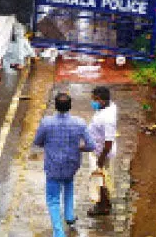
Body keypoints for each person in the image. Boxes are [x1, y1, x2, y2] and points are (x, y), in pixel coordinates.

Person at [34, 92, 96, 237]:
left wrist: (48, 144)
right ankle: (69, 216)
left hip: (53, 166)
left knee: (53, 199)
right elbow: (91, 145)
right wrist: (80, 148)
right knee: (69, 187)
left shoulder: (46, 122)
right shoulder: (79, 123)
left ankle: (58, 232)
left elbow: (37, 141)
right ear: (70, 106)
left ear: (55, 106)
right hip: (71, 164)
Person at [87, 86, 117, 217]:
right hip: (97, 149)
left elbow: (108, 142)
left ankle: (102, 206)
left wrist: (101, 159)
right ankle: (106, 202)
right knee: (103, 178)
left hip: (101, 153)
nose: (92, 102)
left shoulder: (108, 119)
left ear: (102, 101)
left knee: (100, 179)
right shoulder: (109, 106)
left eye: (95, 100)